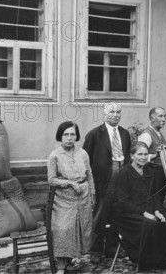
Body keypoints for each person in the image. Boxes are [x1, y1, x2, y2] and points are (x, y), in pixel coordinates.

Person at [111, 142, 166, 269]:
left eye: (145, 154)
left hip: (150, 208)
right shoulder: (124, 173)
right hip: (126, 214)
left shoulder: (149, 170)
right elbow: (123, 202)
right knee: (151, 225)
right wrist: (145, 213)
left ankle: (161, 259)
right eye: (139, 154)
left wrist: (157, 211)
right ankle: (145, 261)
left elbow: (155, 194)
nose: (143, 157)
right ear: (132, 156)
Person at [83, 102, 131, 254]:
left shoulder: (124, 133)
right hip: (103, 181)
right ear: (104, 113)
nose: (115, 115)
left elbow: (128, 155)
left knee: (117, 213)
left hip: (121, 178)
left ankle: (112, 248)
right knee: (101, 214)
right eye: (112, 112)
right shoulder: (95, 134)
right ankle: (95, 249)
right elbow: (86, 159)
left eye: (118, 112)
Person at [47, 122, 94, 274]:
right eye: (66, 134)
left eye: (72, 134)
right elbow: (51, 180)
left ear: (76, 136)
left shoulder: (83, 153)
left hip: (83, 195)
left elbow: (90, 175)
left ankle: (76, 258)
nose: (69, 138)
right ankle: (61, 265)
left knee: (82, 227)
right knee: (63, 228)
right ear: (60, 136)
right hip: (63, 199)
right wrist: (70, 183)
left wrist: (92, 194)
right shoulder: (55, 155)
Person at [138, 107, 166, 201]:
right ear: (152, 118)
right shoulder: (146, 135)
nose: (163, 119)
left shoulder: (159, 133)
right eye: (160, 116)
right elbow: (139, 156)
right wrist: (155, 155)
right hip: (152, 175)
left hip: (161, 174)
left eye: (164, 116)